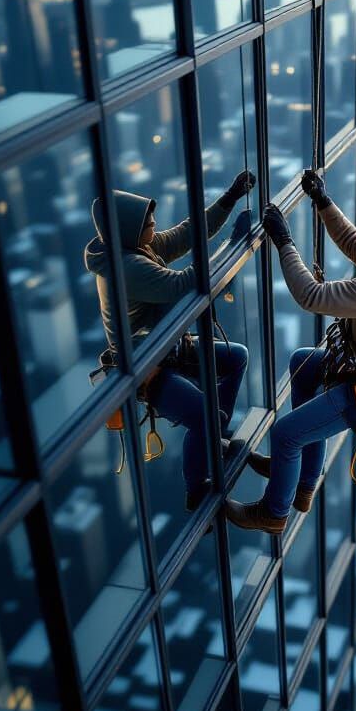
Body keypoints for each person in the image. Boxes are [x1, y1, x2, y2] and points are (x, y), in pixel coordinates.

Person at [225, 169, 356, 535]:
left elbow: (310, 296)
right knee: (302, 365)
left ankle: (273, 513)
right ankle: (303, 485)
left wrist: (284, 241)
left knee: (286, 435)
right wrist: (323, 202)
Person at [84, 170, 267, 511]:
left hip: (164, 347)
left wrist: (229, 198)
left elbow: (186, 235)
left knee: (235, 358)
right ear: (130, 230)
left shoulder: (137, 245)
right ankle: (195, 489)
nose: (154, 229)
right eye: (149, 224)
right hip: (144, 367)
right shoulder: (127, 267)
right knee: (202, 415)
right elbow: (184, 284)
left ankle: (216, 438)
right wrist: (232, 245)